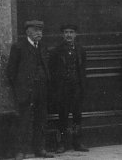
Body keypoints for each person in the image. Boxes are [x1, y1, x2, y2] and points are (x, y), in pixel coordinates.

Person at [6, 20, 54, 160]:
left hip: (42, 89)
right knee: (24, 121)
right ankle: (21, 151)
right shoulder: (19, 47)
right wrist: (20, 87)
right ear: (28, 32)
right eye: (35, 30)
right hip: (26, 90)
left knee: (41, 120)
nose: (39, 33)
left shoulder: (43, 46)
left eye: (40, 30)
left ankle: (40, 149)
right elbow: (11, 71)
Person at [49, 23, 89, 153]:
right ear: (62, 34)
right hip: (63, 89)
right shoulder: (56, 51)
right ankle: (61, 144)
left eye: (71, 32)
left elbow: (82, 70)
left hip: (77, 88)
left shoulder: (81, 50)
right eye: (66, 32)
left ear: (75, 34)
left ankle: (77, 142)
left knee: (77, 117)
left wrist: (82, 87)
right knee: (63, 117)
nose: (68, 35)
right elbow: (52, 72)